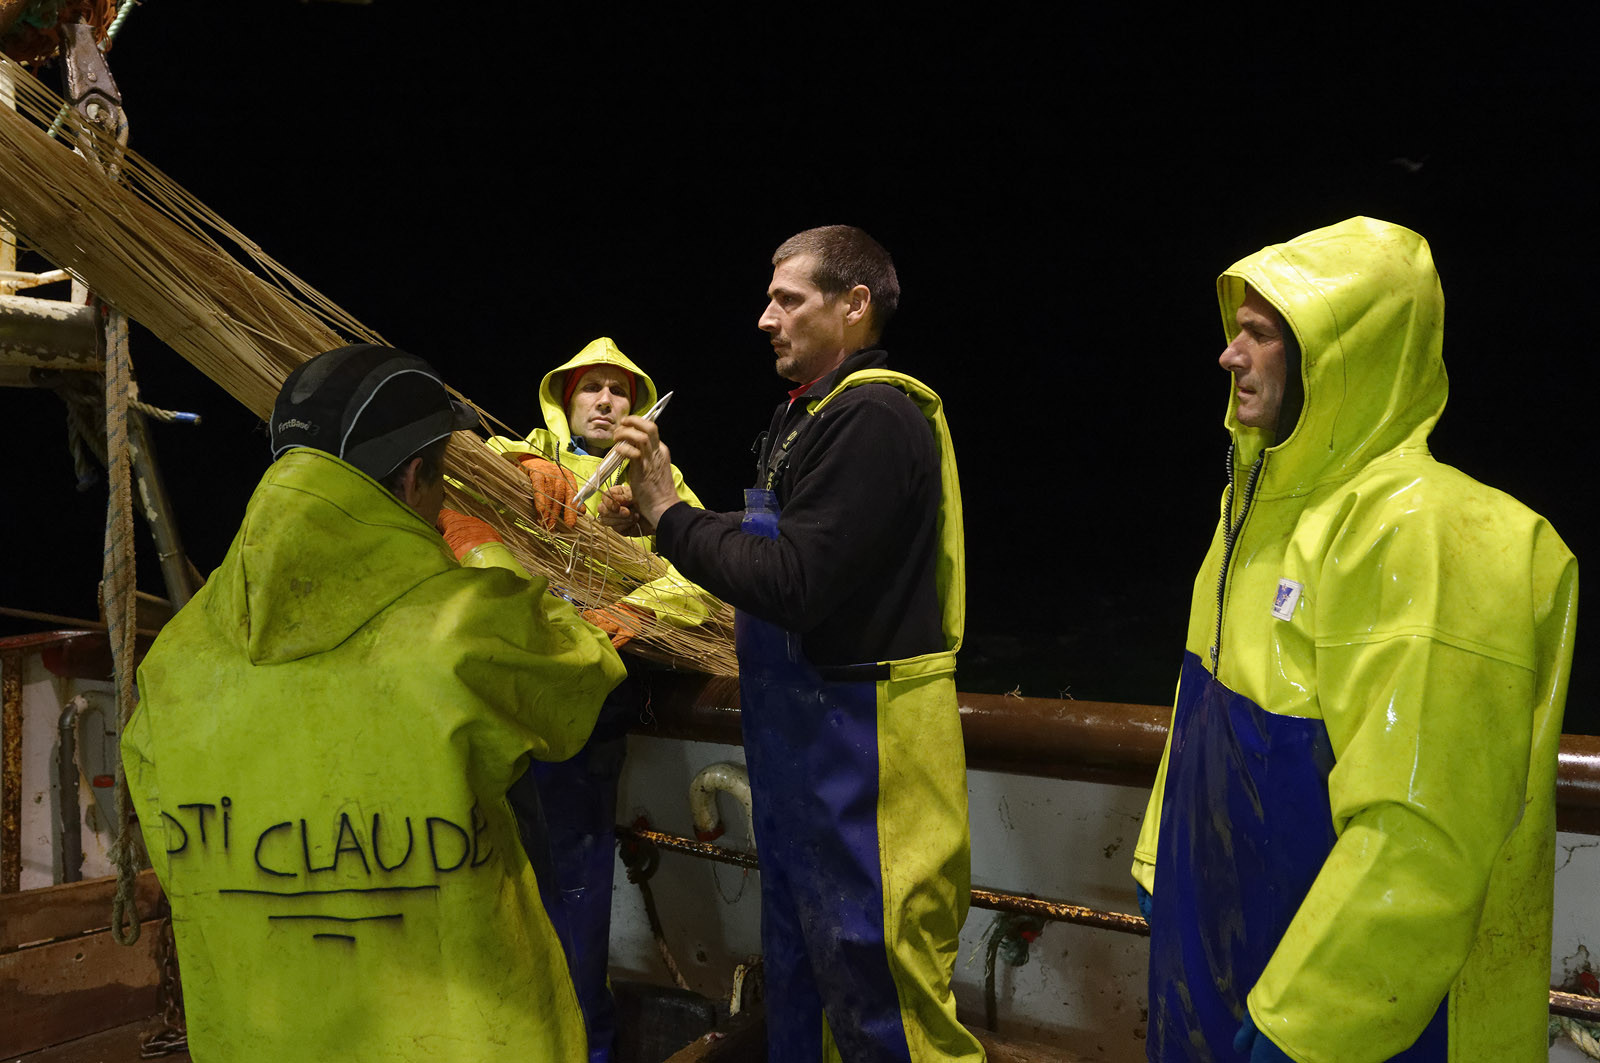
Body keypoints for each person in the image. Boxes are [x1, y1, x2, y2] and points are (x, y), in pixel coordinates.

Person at [1131, 217, 1578, 1062]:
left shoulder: (1430, 534)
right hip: (1220, 951)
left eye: (1261, 336)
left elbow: (1425, 831)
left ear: (1341, 357)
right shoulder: (1252, 509)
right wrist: (1161, 859)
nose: (1230, 356)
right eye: (1237, 332)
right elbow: (1202, 691)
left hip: (1362, 1022)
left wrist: (1306, 1023)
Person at [121, 343, 626, 1062]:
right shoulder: (464, 626)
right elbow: (581, 673)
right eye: (445, 481)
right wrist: (482, 549)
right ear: (417, 476)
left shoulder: (173, 657)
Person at [611, 225, 984, 1063]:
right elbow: (769, 546)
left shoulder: (875, 417)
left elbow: (794, 581)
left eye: (788, 299)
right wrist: (660, 515)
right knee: (809, 977)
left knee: (880, 976)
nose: (764, 318)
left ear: (854, 306)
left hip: (871, 751)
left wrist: (671, 512)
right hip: (806, 750)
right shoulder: (805, 418)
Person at [441, 336, 706, 1063]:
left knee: (572, 888)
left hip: (581, 700)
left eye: (621, 391)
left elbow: (705, 565)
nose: (607, 401)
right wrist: (524, 469)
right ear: (562, 399)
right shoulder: (512, 450)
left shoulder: (659, 478)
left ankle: (582, 1048)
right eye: (591, 388)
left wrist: (640, 608)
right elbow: (451, 479)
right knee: (483, 876)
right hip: (491, 694)